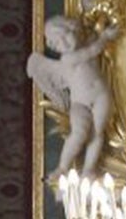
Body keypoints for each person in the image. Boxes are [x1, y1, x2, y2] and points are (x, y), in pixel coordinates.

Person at [28, 14, 116, 177]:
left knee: (97, 132)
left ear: (73, 28)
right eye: (57, 43)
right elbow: (93, 50)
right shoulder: (68, 58)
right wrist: (105, 37)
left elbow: (93, 45)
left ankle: (89, 169)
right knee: (79, 133)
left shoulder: (87, 41)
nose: (63, 44)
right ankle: (63, 167)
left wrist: (103, 32)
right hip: (79, 103)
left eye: (65, 36)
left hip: (101, 96)